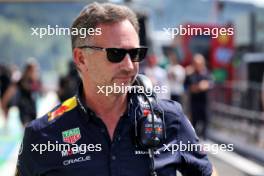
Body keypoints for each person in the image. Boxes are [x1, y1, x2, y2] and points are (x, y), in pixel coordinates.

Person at [16, 3, 212, 176]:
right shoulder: (43, 135)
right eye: (116, 54)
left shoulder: (170, 119)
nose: (129, 66)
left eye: (135, 53)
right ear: (81, 59)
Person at [2, 61, 41, 127]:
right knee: (27, 127)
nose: (35, 72)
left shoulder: (36, 81)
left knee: (34, 126)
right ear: (28, 70)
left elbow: (39, 92)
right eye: (33, 70)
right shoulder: (21, 80)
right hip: (24, 109)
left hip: (33, 109)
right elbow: (10, 91)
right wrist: (4, 103)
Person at [185, 54, 212, 140]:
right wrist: (199, 87)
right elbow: (189, 87)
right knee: (194, 122)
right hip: (194, 102)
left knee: (205, 121)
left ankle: (205, 138)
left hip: (204, 102)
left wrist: (203, 86)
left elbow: (209, 84)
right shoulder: (191, 75)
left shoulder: (207, 73)